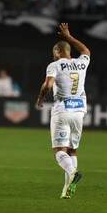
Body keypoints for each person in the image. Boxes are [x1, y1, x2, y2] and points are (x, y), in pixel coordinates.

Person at [36, 23, 91, 199]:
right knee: (72, 150)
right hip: (79, 112)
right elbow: (85, 50)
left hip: (62, 110)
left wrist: (40, 98)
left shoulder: (55, 65)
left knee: (59, 151)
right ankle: (67, 189)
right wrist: (68, 36)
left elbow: (48, 85)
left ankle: (73, 173)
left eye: (54, 53)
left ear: (58, 52)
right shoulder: (81, 63)